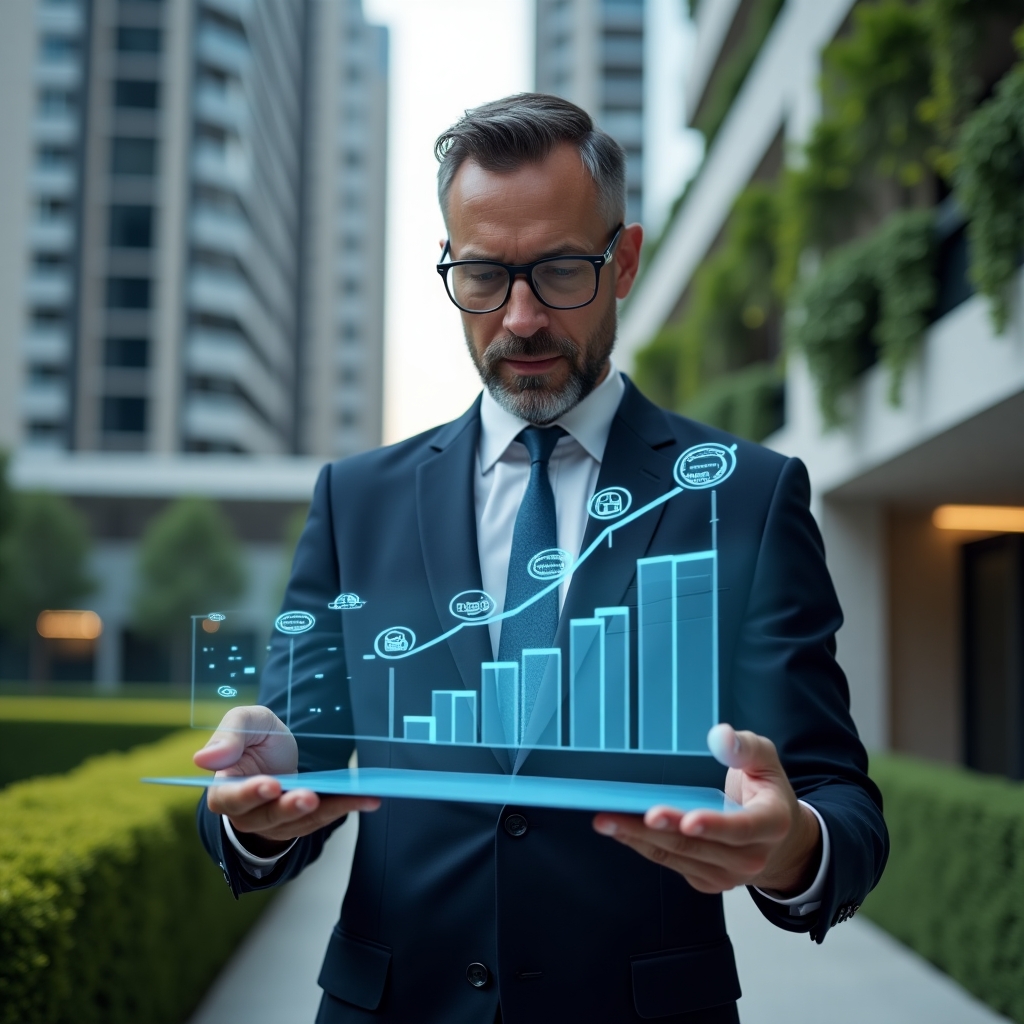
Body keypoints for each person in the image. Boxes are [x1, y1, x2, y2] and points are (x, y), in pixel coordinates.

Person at [195, 94, 888, 1024]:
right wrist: (254, 800)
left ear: (626, 261)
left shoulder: (747, 499)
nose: (518, 318)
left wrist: (793, 845)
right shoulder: (354, 500)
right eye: (482, 275)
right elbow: (294, 766)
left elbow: (838, 797)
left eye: (561, 270)